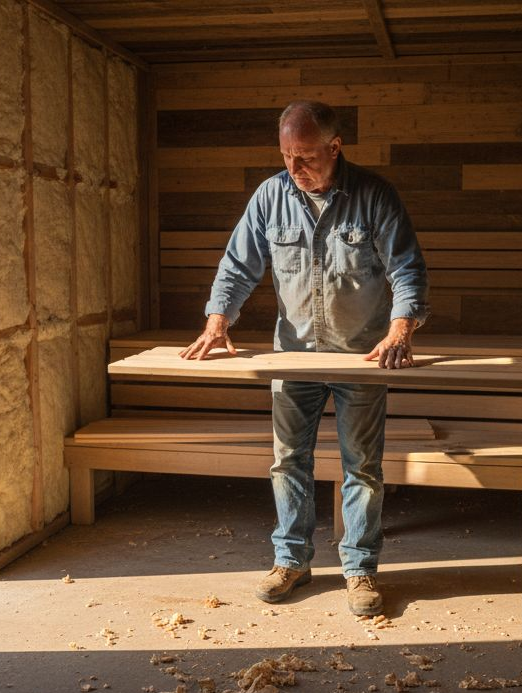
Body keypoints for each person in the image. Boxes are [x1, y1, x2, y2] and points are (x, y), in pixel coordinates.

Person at [179, 100, 429, 616]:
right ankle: (290, 560)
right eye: (287, 156)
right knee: (288, 460)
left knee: (362, 467)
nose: (295, 169)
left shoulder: (374, 196)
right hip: (291, 356)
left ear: (335, 148)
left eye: (307, 157)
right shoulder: (271, 197)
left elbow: (407, 268)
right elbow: (237, 263)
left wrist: (401, 328)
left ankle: (360, 571)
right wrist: (217, 319)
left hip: (361, 357)